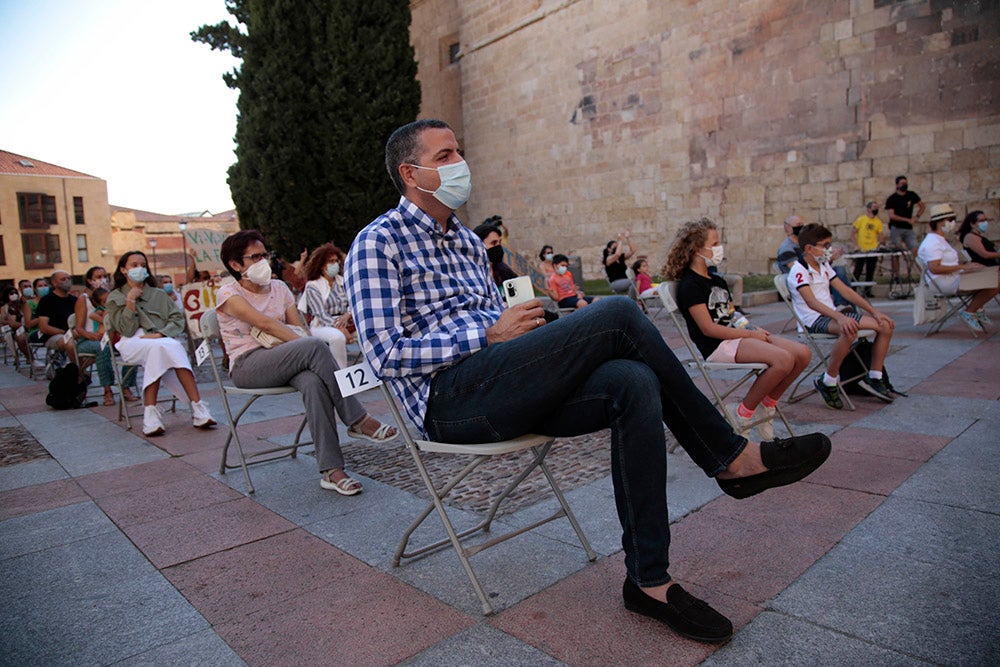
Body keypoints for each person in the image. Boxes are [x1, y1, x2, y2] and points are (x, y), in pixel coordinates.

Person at [345, 118, 831, 643]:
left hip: (504, 382)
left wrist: (531, 329)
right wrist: (486, 337)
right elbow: (384, 354)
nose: (460, 163)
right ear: (410, 173)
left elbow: (501, 327)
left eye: (458, 151)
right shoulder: (378, 243)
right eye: (444, 156)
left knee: (632, 380)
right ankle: (730, 458)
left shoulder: (465, 240)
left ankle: (649, 581)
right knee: (620, 314)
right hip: (450, 401)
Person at [216, 230, 396, 495]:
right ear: (235, 264)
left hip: (283, 357)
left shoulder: (279, 288)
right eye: (254, 257)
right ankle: (357, 418)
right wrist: (304, 345)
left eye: (264, 254)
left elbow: (297, 326)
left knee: (313, 382)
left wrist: (302, 344)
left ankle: (332, 471)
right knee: (313, 345)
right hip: (248, 364)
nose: (262, 261)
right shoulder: (228, 294)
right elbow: (267, 324)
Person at [667, 219, 811, 440]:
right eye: (714, 243)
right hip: (718, 346)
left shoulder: (717, 280)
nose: (719, 248)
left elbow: (732, 315)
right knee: (783, 360)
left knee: (802, 354)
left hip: (737, 336)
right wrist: (750, 335)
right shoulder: (690, 285)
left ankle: (768, 404)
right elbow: (709, 329)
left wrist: (752, 328)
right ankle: (743, 413)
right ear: (697, 249)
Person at [105, 251, 216, 436]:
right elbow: (126, 330)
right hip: (132, 341)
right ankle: (197, 408)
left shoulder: (158, 294)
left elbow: (177, 319)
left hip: (159, 338)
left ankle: (153, 413)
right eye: (134, 265)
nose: (139, 268)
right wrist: (130, 300)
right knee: (165, 347)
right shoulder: (115, 296)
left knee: (166, 346)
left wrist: (161, 333)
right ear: (123, 270)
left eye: (142, 264)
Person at [788, 224, 898, 408]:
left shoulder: (823, 266)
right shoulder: (799, 271)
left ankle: (875, 376)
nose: (829, 249)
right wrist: (840, 318)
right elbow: (811, 303)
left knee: (885, 325)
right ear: (809, 248)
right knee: (849, 329)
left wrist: (874, 312)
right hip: (813, 320)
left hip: (831, 316)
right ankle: (829, 380)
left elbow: (846, 291)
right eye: (825, 245)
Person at [917, 204, 998, 333]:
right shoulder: (932, 242)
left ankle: (977, 309)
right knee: (996, 281)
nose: (953, 223)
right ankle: (970, 311)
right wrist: (963, 267)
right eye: (950, 220)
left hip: (954, 277)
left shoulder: (940, 240)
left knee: (993, 274)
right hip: (945, 282)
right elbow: (935, 268)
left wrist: (968, 267)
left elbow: (947, 263)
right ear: (940, 222)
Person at [75, 266, 138, 405]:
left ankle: (126, 386)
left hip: (112, 336)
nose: (102, 279)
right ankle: (107, 390)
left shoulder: (113, 295)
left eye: (104, 276)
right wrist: (91, 335)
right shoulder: (83, 299)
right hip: (90, 339)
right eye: (98, 277)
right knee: (102, 348)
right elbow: (79, 327)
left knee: (133, 345)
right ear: (90, 281)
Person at [299, 243, 355, 369]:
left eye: (336, 261)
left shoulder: (343, 281)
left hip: (347, 321)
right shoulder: (313, 286)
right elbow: (321, 314)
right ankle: (341, 374)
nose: (334, 264)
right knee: (337, 337)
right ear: (321, 265)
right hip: (322, 325)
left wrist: (347, 315)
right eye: (331, 261)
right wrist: (340, 327)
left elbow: (353, 303)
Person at [34, 270, 80, 367]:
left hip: (76, 334)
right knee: (70, 344)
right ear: (54, 283)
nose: (67, 281)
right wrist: (65, 333)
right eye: (63, 279)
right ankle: (79, 372)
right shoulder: (46, 301)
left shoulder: (75, 300)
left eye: (68, 278)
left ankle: (78, 368)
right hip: (55, 336)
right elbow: (43, 327)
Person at [885, 175, 925, 276]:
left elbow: (922, 206)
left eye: (905, 183)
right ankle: (896, 276)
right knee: (896, 253)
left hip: (908, 229)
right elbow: (892, 215)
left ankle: (921, 274)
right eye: (902, 183)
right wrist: (908, 220)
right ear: (897, 185)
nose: (904, 185)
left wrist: (917, 216)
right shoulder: (892, 198)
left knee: (915, 250)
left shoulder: (911, 195)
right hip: (896, 228)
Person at [851, 201, 887, 292]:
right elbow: (853, 233)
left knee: (870, 270)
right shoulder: (861, 219)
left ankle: (868, 290)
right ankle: (853, 290)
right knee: (858, 270)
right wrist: (856, 245)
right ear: (868, 209)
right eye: (874, 207)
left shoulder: (878, 221)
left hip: (872, 249)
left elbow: (880, 234)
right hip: (862, 249)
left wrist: (882, 244)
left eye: (877, 207)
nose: (876, 209)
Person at [473, 222, 518, 288]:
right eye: (493, 243)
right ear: (479, 245)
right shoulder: (473, 273)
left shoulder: (503, 270)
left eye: (499, 242)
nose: (498, 246)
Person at [1, 285, 31, 364]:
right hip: (11, 328)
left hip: (23, 327)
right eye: (11, 293)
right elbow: (2, 320)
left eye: (15, 293)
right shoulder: (5, 307)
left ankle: (28, 356)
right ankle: (15, 357)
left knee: (22, 336)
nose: (14, 295)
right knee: (8, 336)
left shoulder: (22, 304)